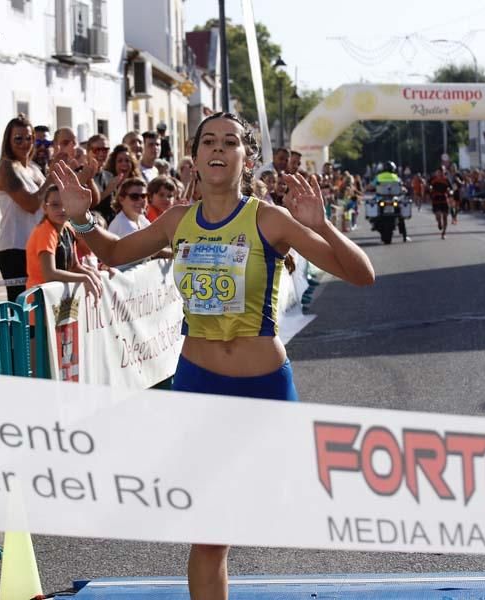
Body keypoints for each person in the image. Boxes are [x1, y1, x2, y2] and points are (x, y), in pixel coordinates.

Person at [49, 112, 374, 600]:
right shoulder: (178, 220)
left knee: (271, 511)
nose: (218, 148)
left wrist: (323, 225)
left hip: (263, 391)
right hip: (199, 386)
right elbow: (115, 253)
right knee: (208, 536)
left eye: (230, 141)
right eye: (208, 142)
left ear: (246, 157)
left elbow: (361, 274)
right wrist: (79, 219)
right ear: (196, 156)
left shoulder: (268, 218)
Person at [0, 115, 52, 301]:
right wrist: (51, 178)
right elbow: (31, 204)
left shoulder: (33, 168)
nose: (24, 143)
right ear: (8, 141)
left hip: (36, 245)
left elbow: (50, 201)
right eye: (18, 138)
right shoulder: (5, 168)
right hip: (14, 247)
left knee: (40, 305)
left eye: (29, 138)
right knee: (22, 307)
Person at [25, 184, 101, 296]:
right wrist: (85, 278)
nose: (62, 209)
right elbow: (50, 274)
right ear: (45, 208)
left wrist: (91, 273)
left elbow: (74, 266)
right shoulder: (45, 232)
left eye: (66, 203)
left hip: (59, 297)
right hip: (41, 301)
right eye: (55, 205)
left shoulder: (69, 228)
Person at [97, 145, 141, 225]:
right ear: (114, 164)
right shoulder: (106, 182)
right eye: (120, 161)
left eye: (127, 161)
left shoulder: (138, 185)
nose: (124, 164)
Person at [375, 161, 409, 242]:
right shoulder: (396, 177)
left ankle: (377, 225)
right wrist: (404, 190)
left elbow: (371, 186)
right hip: (394, 198)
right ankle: (404, 235)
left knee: (375, 213)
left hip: (382, 198)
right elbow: (401, 187)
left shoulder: (379, 177)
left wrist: (368, 189)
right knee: (400, 216)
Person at [429, 168, 451, 239]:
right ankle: (439, 222)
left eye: (441, 172)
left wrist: (450, 191)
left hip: (444, 198)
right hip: (436, 199)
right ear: (436, 173)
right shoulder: (433, 179)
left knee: (445, 216)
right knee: (438, 215)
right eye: (438, 172)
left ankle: (444, 233)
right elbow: (428, 185)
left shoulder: (446, 180)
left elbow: (450, 188)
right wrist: (430, 188)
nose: (440, 173)